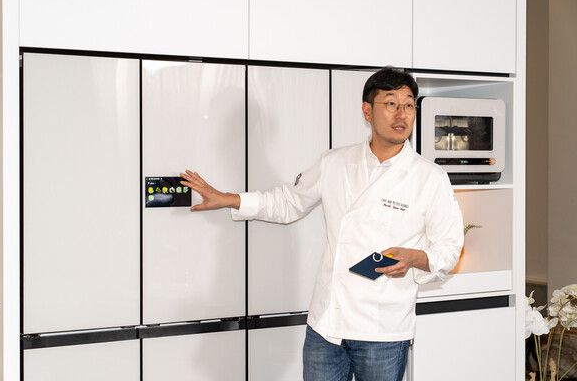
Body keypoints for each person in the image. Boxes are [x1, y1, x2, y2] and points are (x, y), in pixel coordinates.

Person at [180, 67, 464, 381]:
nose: (402, 114)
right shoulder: (335, 163)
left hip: (382, 330)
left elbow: (449, 248)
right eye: (391, 103)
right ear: (367, 111)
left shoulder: (429, 178)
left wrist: (415, 258)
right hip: (326, 325)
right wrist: (229, 199)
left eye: (409, 105)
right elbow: (288, 202)